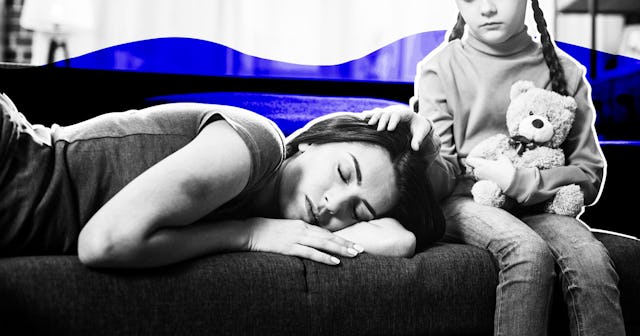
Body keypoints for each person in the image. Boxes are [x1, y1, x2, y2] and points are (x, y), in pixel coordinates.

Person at [368, 0, 625, 335]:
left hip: (541, 206)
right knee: (527, 251)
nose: (486, 8)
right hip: (466, 199)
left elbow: (589, 174)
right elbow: (444, 173)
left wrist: (522, 182)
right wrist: (421, 139)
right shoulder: (440, 69)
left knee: (590, 259)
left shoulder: (567, 72)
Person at [0, 92, 445, 269]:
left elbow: (401, 239)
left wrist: (425, 154)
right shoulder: (256, 145)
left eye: (357, 212)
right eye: (344, 173)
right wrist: (250, 235)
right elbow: (105, 243)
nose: (333, 203)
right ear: (314, 140)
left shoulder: (268, 199)